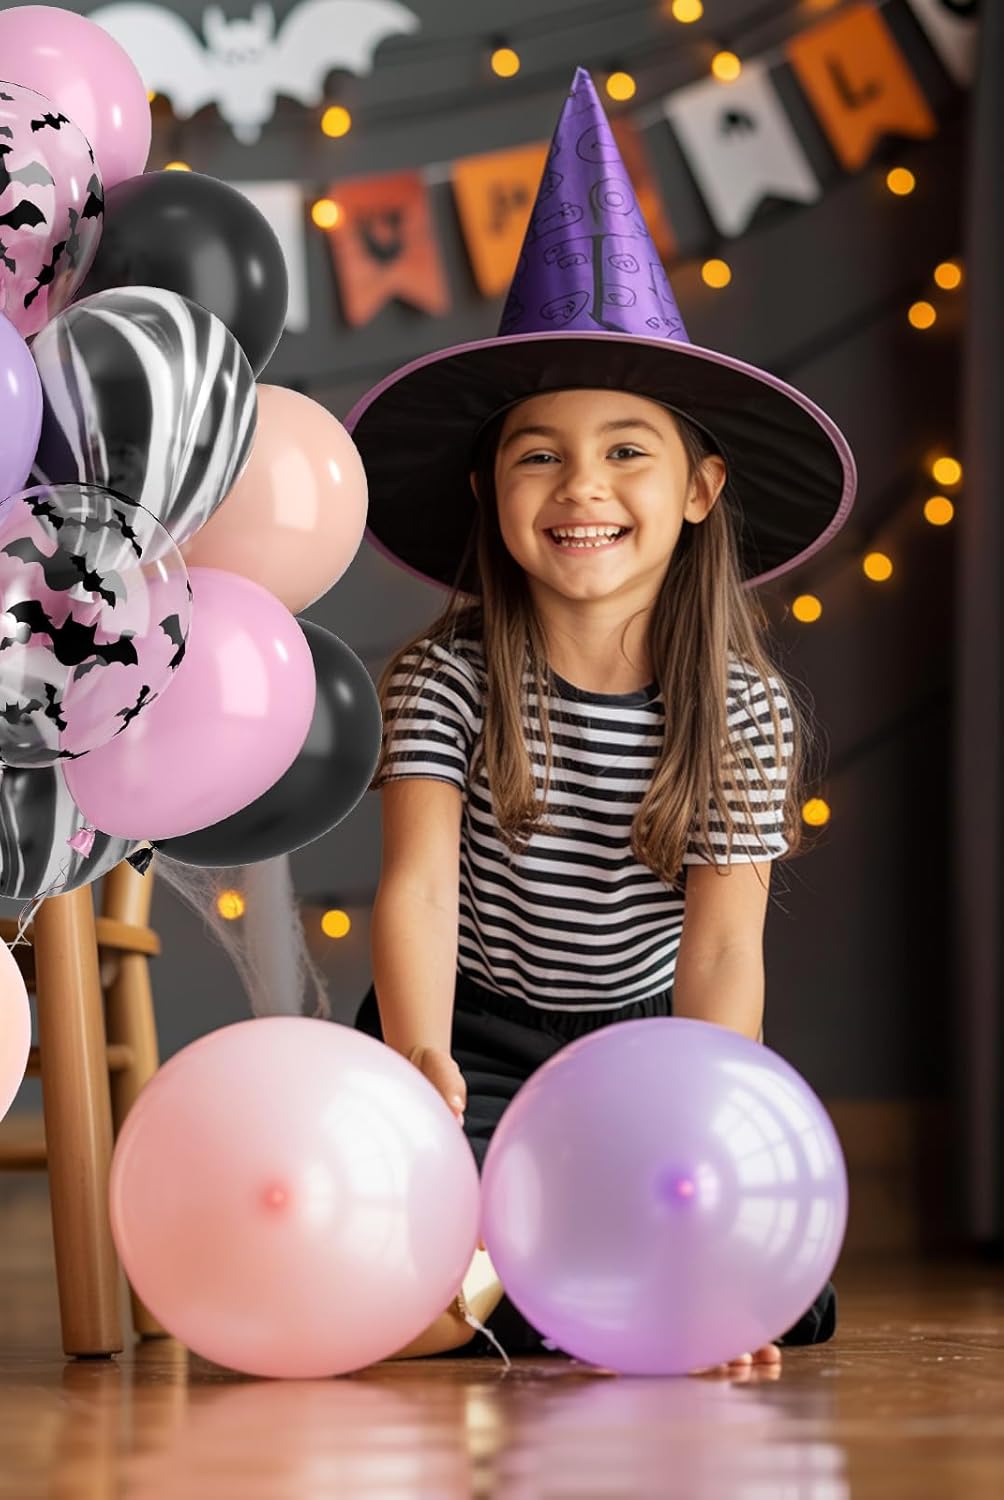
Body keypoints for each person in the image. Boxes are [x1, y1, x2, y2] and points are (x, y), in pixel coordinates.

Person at [344, 68, 852, 1365]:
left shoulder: (741, 712)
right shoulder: (445, 680)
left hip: (642, 1042)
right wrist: (418, 1061)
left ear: (699, 489)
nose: (583, 487)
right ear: (489, 491)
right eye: (540, 454)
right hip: (467, 1033)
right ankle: (527, 1281)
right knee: (399, 1235)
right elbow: (419, 892)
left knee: (787, 1288)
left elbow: (722, 954)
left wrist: (696, 1133)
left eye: (628, 449)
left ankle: (554, 1285)